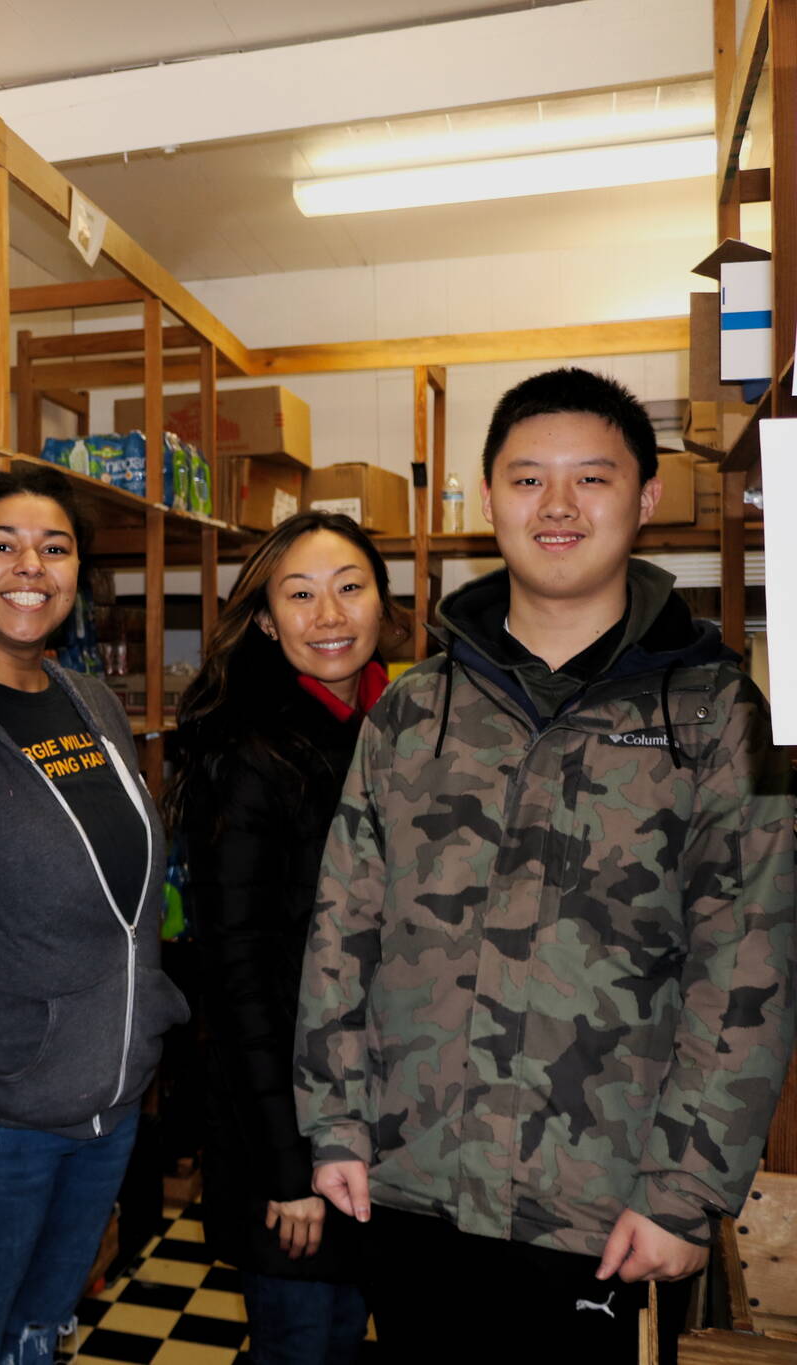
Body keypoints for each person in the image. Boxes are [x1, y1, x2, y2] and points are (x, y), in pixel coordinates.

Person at [296, 368, 796, 1362]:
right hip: (409, 1179)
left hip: (596, 1208)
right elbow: (340, 931)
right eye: (526, 480)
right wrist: (334, 1126)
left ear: (643, 498)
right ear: (487, 499)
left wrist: (684, 1192)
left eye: (590, 479)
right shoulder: (410, 709)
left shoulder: (713, 715)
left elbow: (745, 966)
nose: (556, 507)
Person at [0, 466, 187, 1365]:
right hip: (5, 1112)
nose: (31, 564)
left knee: (43, 1331)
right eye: (2, 544)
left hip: (111, 1106)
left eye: (54, 547)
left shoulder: (89, 699)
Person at [168, 512, 390, 1364]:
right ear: (264, 618)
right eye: (299, 595)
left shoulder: (389, 728)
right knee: (304, 1343)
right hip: (284, 1133)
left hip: (369, 1128)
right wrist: (288, 1169)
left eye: (349, 588)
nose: (328, 614)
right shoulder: (250, 750)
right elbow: (238, 982)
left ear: (383, 603)